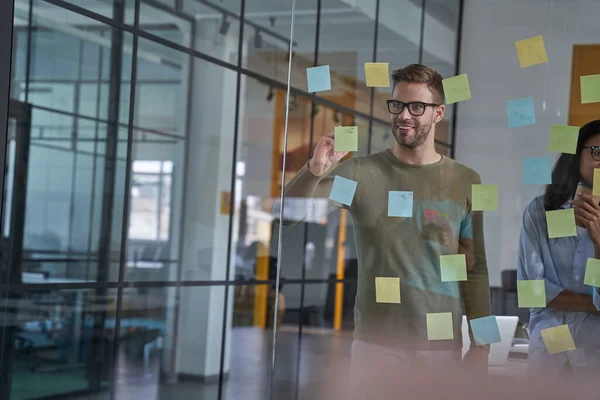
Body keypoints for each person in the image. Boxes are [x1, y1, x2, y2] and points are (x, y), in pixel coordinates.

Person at [280, 64, 491, 378]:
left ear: (438, 113)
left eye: (417, 106)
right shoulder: (359, 174)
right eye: (397, 105)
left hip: (441, 345)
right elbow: (289, 215)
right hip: (376, 344)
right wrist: (314, 169)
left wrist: (482, 345)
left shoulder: (468, 181)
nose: (404, 115)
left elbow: (475, 268)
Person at [518, 119, 600, 381]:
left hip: (593, 357)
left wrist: (599, 242)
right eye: (597, 152)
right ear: (577, 155)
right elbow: (531, 291)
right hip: (548, 355)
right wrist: (593, 304)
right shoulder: (540, 211)